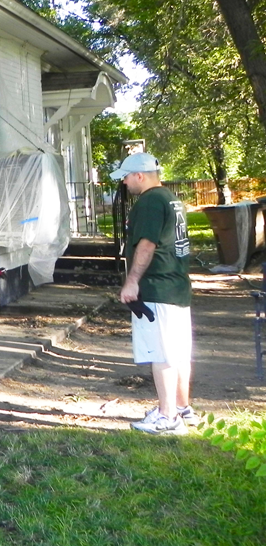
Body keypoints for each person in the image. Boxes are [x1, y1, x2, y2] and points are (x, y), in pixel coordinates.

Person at [111, 152, 197, 435]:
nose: (124, 182)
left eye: (125, 176)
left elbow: (146, 244)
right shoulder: (171, 199)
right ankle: (182, 408)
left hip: (157, 287)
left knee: (162, 353)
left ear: (139, 175)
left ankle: (168, 417)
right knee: (179, 352)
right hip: (176, 285)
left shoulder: (148, 201)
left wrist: (132, 280)